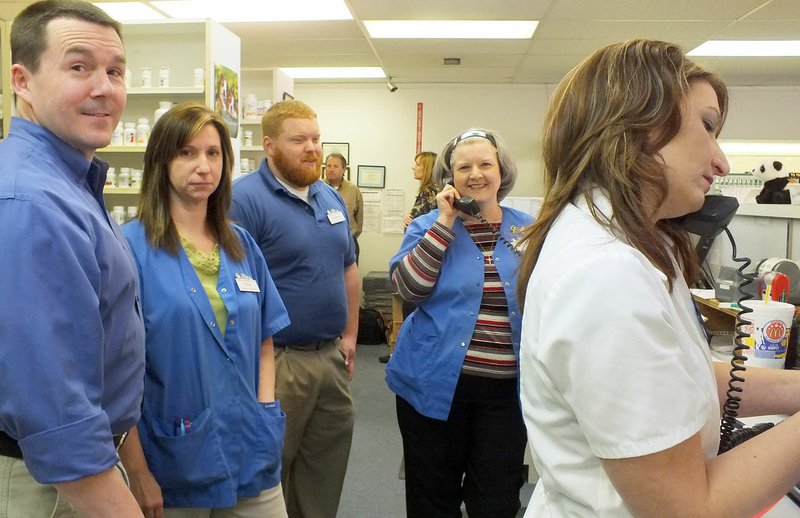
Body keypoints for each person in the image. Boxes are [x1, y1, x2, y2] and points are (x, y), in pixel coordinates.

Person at [517, 39, 800, 517]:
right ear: (641, 127)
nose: (722, 162)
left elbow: (674, 379)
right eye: (707, 127)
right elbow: (689, 509)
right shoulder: (606, 274)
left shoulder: (622, 242)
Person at [0, 1, 146, 516]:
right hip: (56, 482)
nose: (104, 88)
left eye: (115, 71)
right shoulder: (32, 202)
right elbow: (54, 412)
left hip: (85, 465)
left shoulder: (70, 183)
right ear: (22, 80)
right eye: (78, 67)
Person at [119, 102, 290, 517]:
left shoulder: (242, 245)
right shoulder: (128, 248)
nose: (203, 166)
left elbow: (264, 338)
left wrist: (265, 408)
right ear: (161, 160)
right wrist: (137, 470)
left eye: (213, 153)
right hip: (173, 460)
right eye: (187, 152)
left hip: (250, 449)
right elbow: (113, 372)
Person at [386, 129, 533, 518]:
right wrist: (446, 221)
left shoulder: (530, 230)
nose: (475, 174)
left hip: (506, 395)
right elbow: (408, 288)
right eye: (463, 167)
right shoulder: (429, 225)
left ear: (502, 171)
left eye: (486, 164)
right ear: (450, 177)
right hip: (432, 387)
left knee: (497, 502)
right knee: (432, 499)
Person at [230, 99, 358, 518]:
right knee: (269, 473)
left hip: (330, 357)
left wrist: (351, 337)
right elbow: (234, 290)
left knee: (325, 467)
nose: (312, 148)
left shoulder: (330, 197)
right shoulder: (243, 200)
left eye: (316, 138)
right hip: (279, 361)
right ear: (269, 145)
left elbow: (349, 268)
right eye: (299, 139)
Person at [324, 152, 363, 262]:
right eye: (328, 166)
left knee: (349, 278)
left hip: (349, 242)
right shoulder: (316, 188)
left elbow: (359, 221)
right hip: (324, 242)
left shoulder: (353, 190)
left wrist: (351, 236)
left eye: (335, 166)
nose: (331, 169)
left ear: (344, 169)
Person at [402, 151, 440, 229]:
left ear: (428, 169)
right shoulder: (436, 189)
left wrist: (410, 222)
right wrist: (409, 219)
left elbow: (418, 227)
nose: (413, 167)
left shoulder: (429, 192)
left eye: (418, 164)